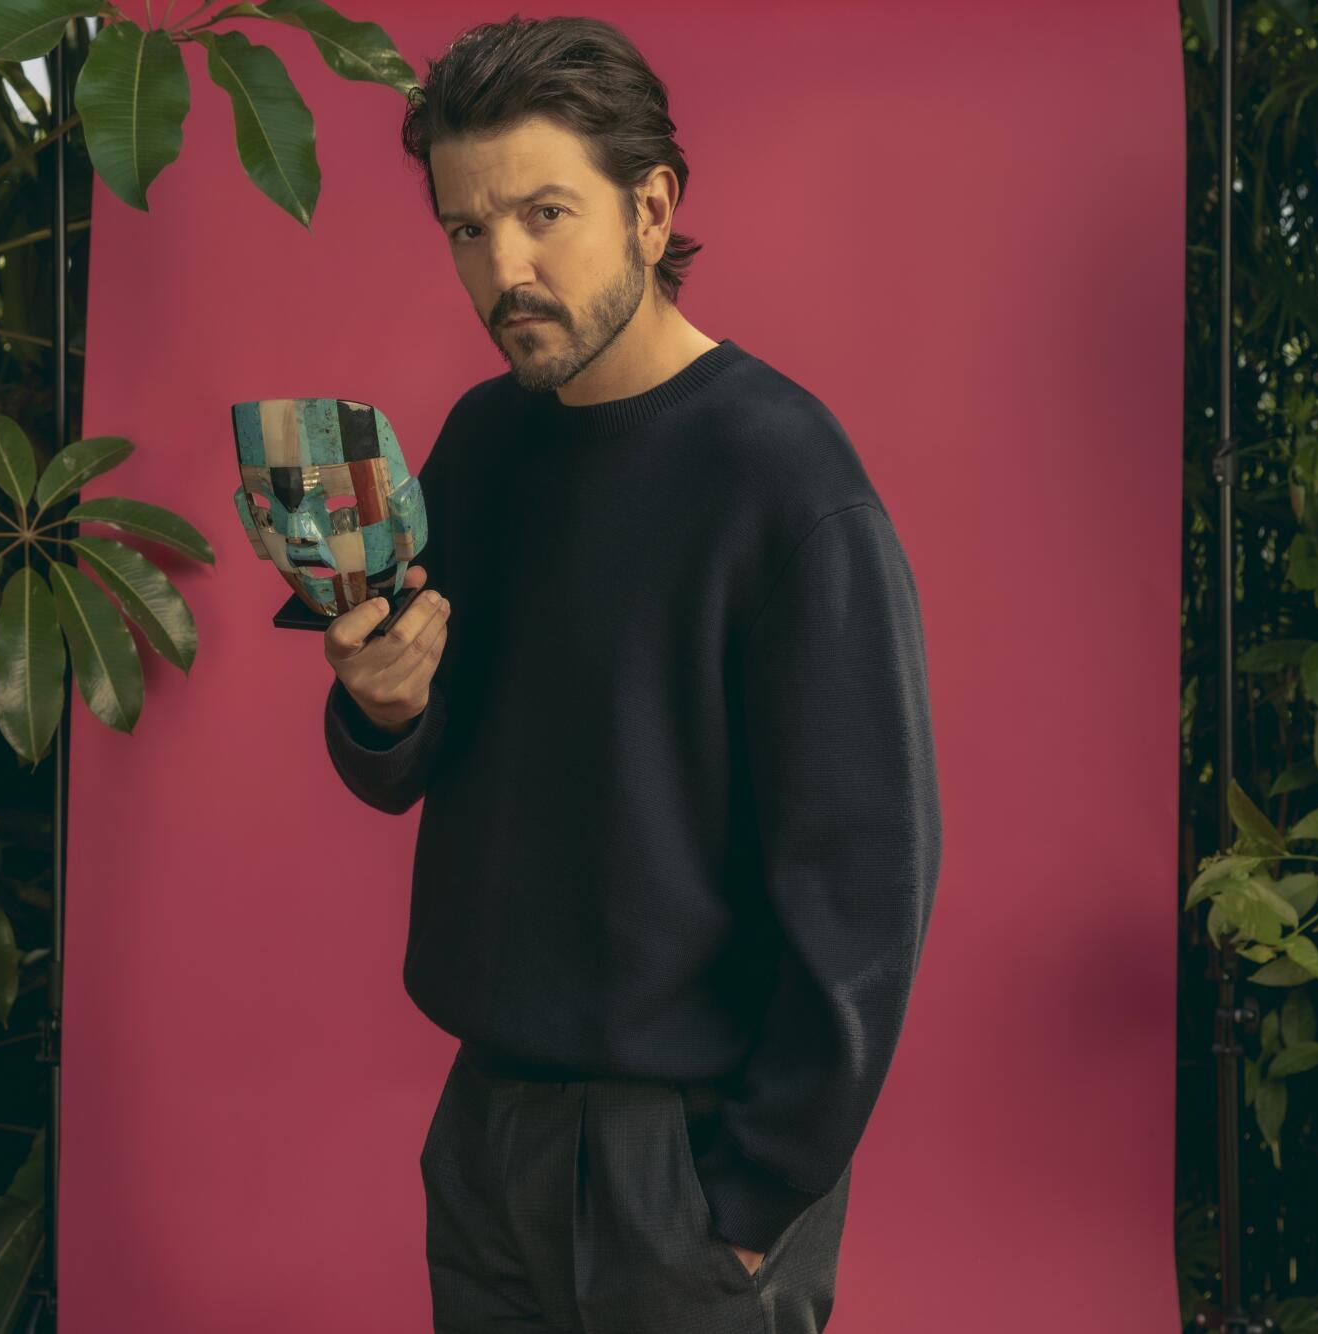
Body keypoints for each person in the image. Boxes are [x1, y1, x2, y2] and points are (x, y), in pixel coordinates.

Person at [321, 16, 941, 1333]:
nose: (505, 268)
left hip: (687, 1162)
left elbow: (869, 882)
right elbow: (418, 752)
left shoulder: (787, 484)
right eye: (467, 228)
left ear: (652, 206)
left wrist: (752, 1191)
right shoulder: (484, 443)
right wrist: (382, 707)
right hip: (487, 1129)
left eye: (546, 212)